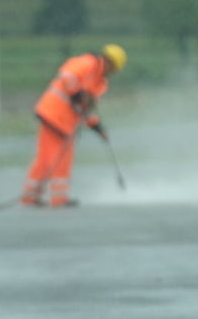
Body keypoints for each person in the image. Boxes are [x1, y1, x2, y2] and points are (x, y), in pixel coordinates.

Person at [20, 43, 127, 208]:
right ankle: (30, 196)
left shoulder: (101, 84)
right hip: (52, 114)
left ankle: (58, 199)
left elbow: (87, 109)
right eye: (113, 68)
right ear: (108, 61)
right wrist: (77, 94)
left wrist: (97, 127)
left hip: (67, 125)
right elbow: (67, 76)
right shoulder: (87, 63)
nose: (112, 72)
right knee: (47, 159)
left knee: (63, 161)